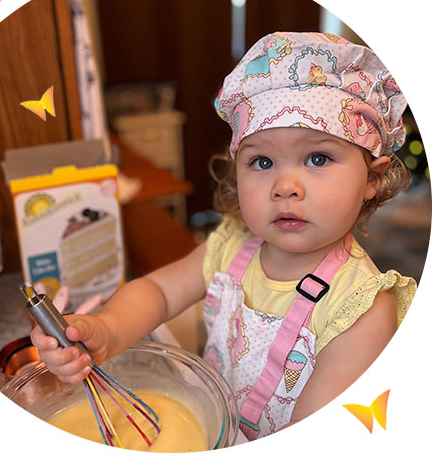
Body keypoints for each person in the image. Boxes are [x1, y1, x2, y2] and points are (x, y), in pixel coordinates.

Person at [31, 32, 417, 440]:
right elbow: (159, 293)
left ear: (372, 178)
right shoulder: (231, 246)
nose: (285, 185)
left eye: (317, 158)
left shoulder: (361, 310)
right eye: (262, 161)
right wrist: (106, 330)